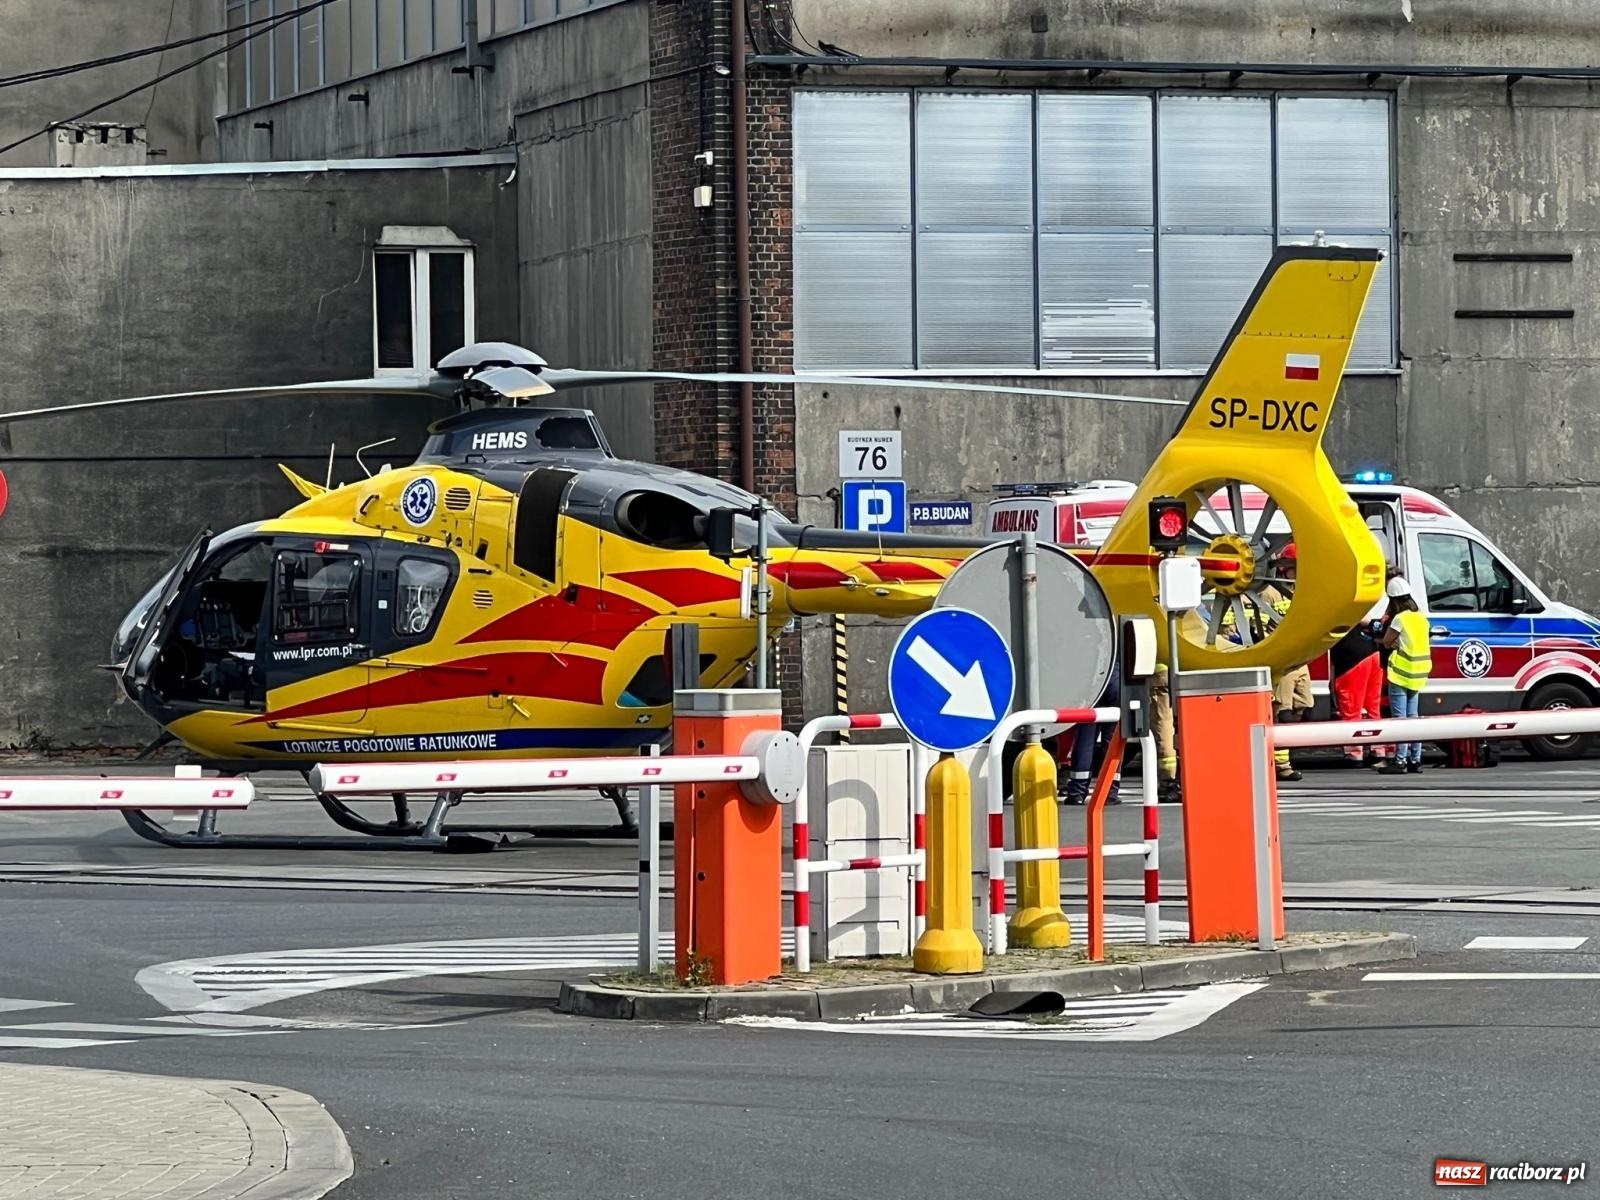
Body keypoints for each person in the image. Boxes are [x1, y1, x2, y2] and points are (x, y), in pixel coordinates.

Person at [1378, 575, 1431, 774]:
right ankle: (1415, 759)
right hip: (1418, 673)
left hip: (1400, 673)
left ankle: (1400, 761)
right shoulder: (1421, 618)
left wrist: (1392, 643)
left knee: (1400, 719)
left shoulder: (1400, 618)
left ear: (1393, 600)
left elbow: (1386, 640)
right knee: (1413, 717)